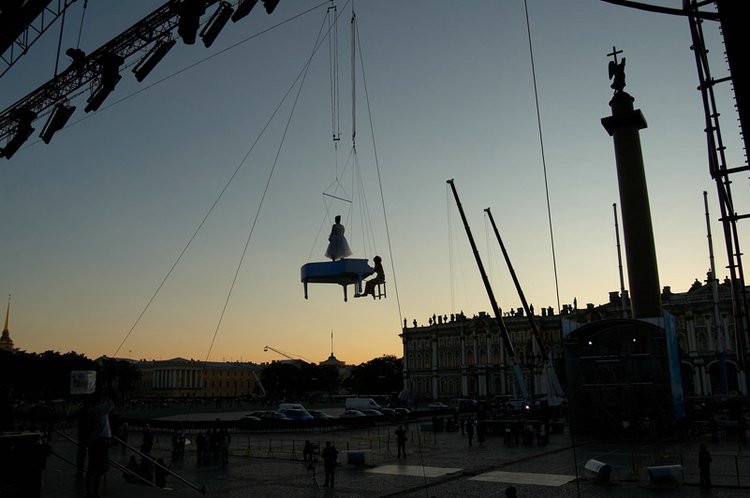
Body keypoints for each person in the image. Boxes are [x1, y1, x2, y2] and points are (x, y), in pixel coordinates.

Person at [86, 392, 115, 498]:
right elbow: (112, 403)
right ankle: (95, 492)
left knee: (92, 467)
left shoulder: (91, 410)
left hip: (95, 441)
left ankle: (89, 491)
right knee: (102, 466)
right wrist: (108, 396)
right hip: (102, 441)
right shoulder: (101, 409)